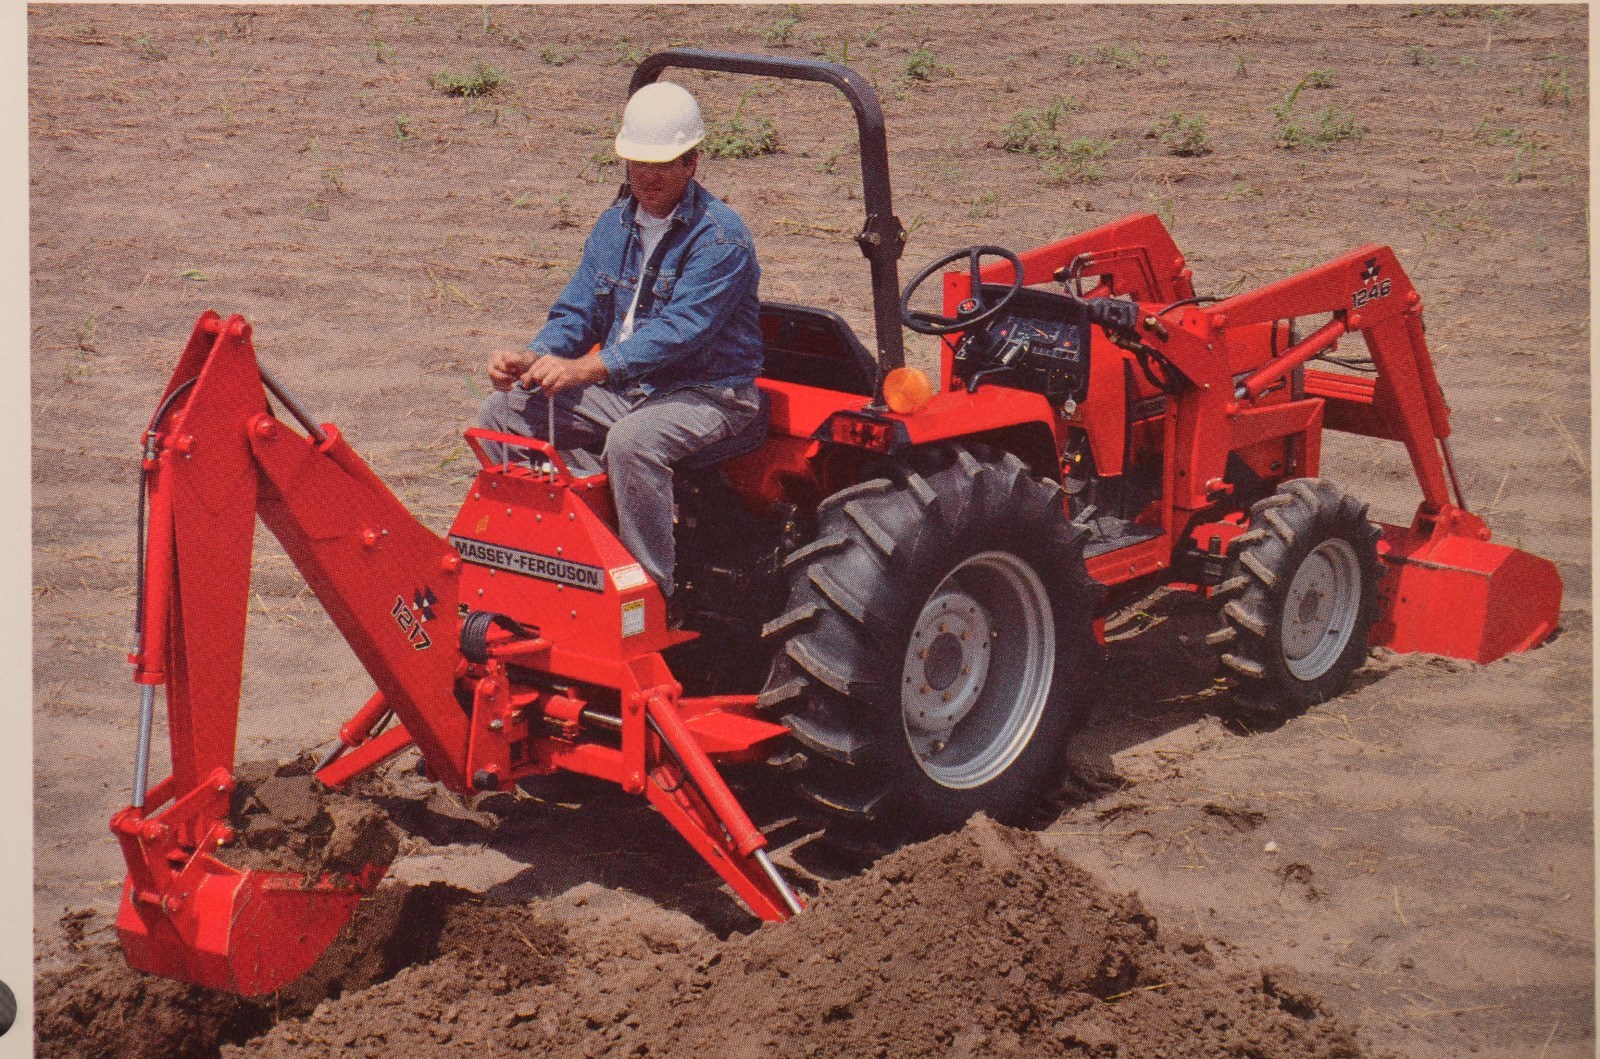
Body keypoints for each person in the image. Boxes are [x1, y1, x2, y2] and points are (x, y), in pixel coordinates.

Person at [479, 81, 764, 600]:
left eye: (663, 164)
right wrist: (535, 356)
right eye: (638, 164)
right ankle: (551, 556)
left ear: (691, 163)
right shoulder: (615, 225)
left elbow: (680, 334)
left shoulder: (721, 239)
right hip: (629, 389)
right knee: (501, 415)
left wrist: (584, 370)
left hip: (706, 392)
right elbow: (578, 310)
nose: (648, 177)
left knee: (634, 443)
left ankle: (650, 594)